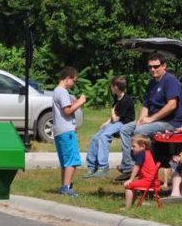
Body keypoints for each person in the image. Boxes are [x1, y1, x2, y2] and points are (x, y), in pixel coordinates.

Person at [118, 53, 182, 177]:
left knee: (140, 130)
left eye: (156, 66)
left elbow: (172, 105)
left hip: (171, 122)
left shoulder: (170, 80)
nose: (153, 69)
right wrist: (140, 119)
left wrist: (150, 119)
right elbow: (146, 106)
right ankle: (128, 166)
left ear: (164, 66)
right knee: (125, 129)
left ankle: (141, 165)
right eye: (150, 67)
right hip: (155, 121)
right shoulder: (152, 83)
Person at [84, 76, 135, 178]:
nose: (110, 88)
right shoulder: (117, 97)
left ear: (115, 87)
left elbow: (116, 118)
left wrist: (112, 109)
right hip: (116, 122)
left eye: (111, 86)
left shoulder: (126, 100)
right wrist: (107, 122)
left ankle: (103, 167)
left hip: (124, 123)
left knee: (104, 136)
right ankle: (91, 167)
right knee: (95, 137)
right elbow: (114, 117)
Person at [52, 67, 86, 197]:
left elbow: (65, 109)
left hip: (59, 130)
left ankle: (64, 186)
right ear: (67, 79)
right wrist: (81, 102)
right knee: (72, 160)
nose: (74, 84)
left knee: (65, 161)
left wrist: (75, 103)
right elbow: (67, 111)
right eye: (74, 81)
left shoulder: (56, 91)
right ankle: (66, 187)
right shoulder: (63, 92)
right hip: (66, 130)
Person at [123, 135, 159, 207]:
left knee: (128, 185)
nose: (132, 148)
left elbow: (137, 167)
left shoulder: (141, 153)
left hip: (148, 181)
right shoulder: (148, 152)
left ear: (142, 146)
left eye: (134, 146)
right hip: (153, 181)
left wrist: (131, 179)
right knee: (133, 185)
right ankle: (131, 204)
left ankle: (127, 207)